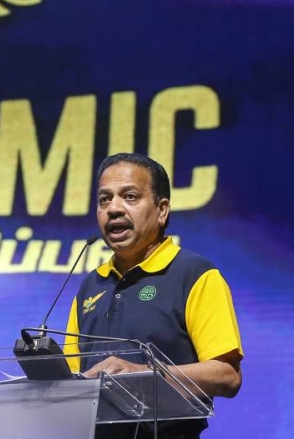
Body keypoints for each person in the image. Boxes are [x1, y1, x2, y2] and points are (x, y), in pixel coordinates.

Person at [63, 153, 243, 438]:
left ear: (162, 211)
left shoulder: (194, 274)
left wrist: (143, 375)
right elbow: (71, 380)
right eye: (104, 199)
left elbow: (227, 376)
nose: (113, 209)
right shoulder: (90, 286)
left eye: (130, 196)